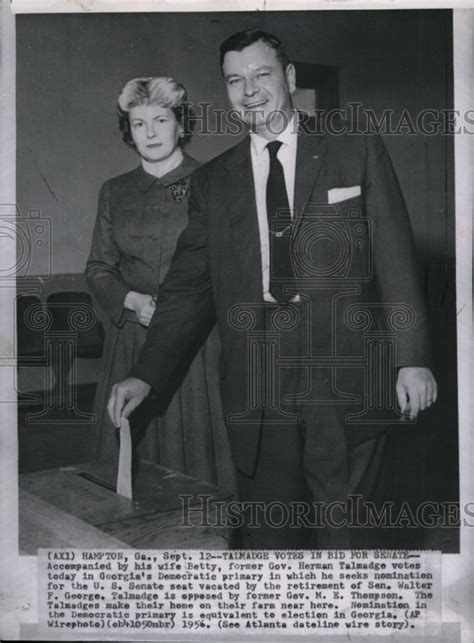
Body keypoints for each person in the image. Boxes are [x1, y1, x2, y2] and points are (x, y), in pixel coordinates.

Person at [107, 32, 438, 549]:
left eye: (262, 75)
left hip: (346, 369)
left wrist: (411, 358)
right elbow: (187, 291)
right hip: (258, 377)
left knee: (346, 536)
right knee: (268, 537)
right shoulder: (214, 182)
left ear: (288, 78)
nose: (250, 90)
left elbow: (395, 260)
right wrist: (145, 374)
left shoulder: (354, 147)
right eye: (235, 80)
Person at [85, 76, 234, 494]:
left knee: (199, 470)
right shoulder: (113, 192)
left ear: (181, 124)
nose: (149, 133)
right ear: (128, 131)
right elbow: (98, 267)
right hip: (131, 342)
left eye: (160, 120)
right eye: (138, 124)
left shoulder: (216, 183)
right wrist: (131, 300)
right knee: (126, 476)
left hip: (197, 345)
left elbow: (227, 270)